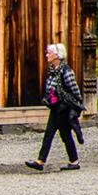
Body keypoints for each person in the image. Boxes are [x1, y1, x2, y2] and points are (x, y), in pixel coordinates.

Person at [24, 43, 83, 171]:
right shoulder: (53, 71)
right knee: (58, 134)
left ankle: (43, 161)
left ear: (57, 55)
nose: (47, 55)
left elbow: (75, 91)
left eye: (49, 53)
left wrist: (76, 107)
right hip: (56, 107)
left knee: (57, 134)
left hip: (64, 107)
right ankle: (71, 160)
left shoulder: (66, 71)